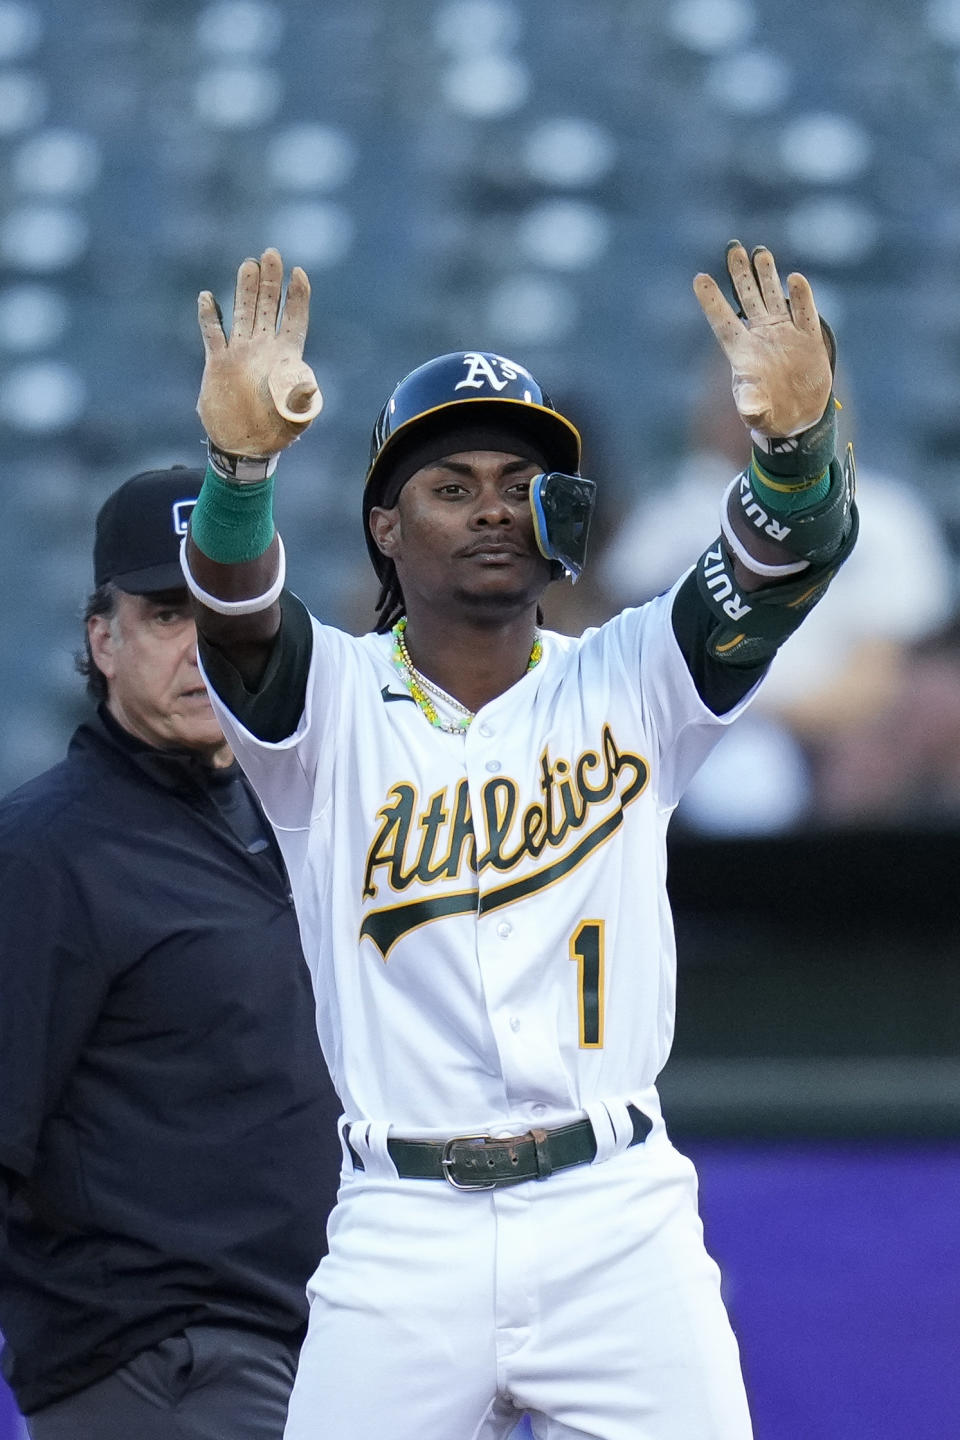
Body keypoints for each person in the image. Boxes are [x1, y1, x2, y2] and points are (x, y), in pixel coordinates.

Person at [180, 244, 858, 1440]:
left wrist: (796, 456)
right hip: (403, 1227)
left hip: (616, 1214)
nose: (493, 504)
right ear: (386, 526)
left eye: (518, 478)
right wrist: (239, 475)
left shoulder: (638, 675)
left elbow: (786, 558)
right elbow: (234, 609)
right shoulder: (324, 707)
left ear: (560, 511)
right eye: (451, 484)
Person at [0, 467, 343, 1440]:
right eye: (164, 615)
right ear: (102, 641)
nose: (203, 647)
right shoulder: (42, 854)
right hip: (161, 1363)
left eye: (228, 608)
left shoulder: (304, 816)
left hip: (327, 1341)